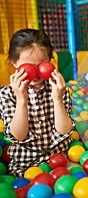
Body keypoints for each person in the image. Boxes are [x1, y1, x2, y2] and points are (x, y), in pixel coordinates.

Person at [0, 29, 74, 177]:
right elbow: (18, 136)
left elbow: (65, 130)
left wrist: (57, 99)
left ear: (50, 62)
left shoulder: (58, 88)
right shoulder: (7, 94)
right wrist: (21, 99)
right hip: (26, 166)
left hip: (60, 160)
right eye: (29, 67)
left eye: (42, 65)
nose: (36, 73)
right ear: (15, 63)